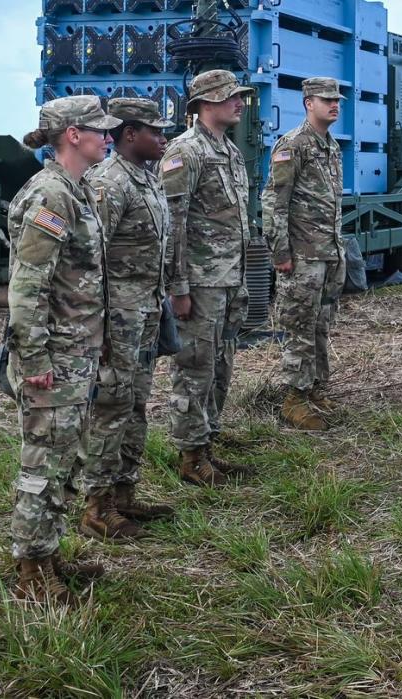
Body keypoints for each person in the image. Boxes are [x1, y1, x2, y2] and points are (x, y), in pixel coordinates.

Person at [6, 95, 119, 603]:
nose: (107, 137)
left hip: (76, 351)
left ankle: (49, 555)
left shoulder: (77, 191)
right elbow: (27, 287)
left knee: (65, 461)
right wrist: (33, 361)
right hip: (54, 356)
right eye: (99, 130)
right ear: (73, 134)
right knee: (43, 466)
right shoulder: (52, 195)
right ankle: (32, 573)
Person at [79, 97, 176, 538]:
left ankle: (124, 495)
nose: (163, 138)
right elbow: (90, 258)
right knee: (111, 407)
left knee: (136, 404)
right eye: (155, 131)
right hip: (116, 317)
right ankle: (96, 507)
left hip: (145, 311)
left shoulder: (147, 178)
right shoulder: (109, 183)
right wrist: (96, 326)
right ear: (129, 133)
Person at [161, 70, 256, 486]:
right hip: (199, 282)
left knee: (220, 364)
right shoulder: (186, 152)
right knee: (194, 368)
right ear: (203, 103)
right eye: (229, 96)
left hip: (229, 278)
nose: (238, 103)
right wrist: (178, 287)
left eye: (239, 96)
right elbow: (173, 225)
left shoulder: (229, 151)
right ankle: (190, 455)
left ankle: (207, 441)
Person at [261, 77, 347, 431]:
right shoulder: (292, 145)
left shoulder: (331, 146)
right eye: (327, 99)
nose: (335, 105)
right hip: (302, 256)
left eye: (337, 99)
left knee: (321, 325)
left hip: (328, 254)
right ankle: (293, 398)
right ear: (308, 102)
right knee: (299, 326)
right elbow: (274, 201)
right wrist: (280, 253)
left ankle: (315, 388)